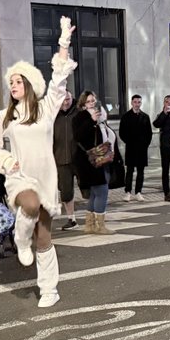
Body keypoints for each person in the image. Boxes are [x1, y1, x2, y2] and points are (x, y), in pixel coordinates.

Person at [0, 16, 77, 308]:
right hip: (20, 177)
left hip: (46, 176)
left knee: (45, 236)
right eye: (10, 82)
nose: (13, 85)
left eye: (18, 81)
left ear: (29, 84)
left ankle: (49, 289)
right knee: (30, 205)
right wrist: (5, 159)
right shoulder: (6, 115)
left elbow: (59, 79)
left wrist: (64, 42)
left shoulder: (47, 108)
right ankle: (20, 240)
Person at [73, 90, 118, 235]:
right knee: (102, 191)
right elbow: (78, 136)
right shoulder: (81, 116)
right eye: (89, 101)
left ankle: (90, 224)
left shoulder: (100, 117)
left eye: (94, 100)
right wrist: (91, 120)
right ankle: (100, 226)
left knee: (94, 193)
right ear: (83, 104)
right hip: (89, 161)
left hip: (99, 158)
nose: (92, 103)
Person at [51, 94, 79, 229]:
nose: (65, 103)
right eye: (62, 100)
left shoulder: (79, 112)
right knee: (66, 191)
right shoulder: (53, 116)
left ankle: (96, 215)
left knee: (88, 189)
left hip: (78, 157)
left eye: (68, 99)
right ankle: (71, 219)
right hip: (61, 158)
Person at [119, 94, 152, 202]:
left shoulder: (145, 117)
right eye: (135, 102)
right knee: (129, 170)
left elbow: (149, 133)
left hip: (142, 148)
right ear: (131, 103)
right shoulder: (126, 116)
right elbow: (121, 132)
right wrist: (128, 141)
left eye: (139, 102)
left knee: (141, 171)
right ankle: (127, 192)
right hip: (131, 147)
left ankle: (138, 192)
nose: (137, 104)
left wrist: (145, 144)